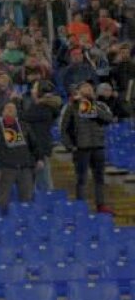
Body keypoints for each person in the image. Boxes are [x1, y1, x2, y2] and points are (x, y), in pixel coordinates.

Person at [60, 81, 115, 213]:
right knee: (81, 179)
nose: (88, 90)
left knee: (99, 178)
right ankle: (81, 206)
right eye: (84, 88)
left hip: (98, 146)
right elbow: (64, 129)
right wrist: (70, 147)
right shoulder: (71, 107)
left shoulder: (100, 105)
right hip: (81, 148)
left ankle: (101, 205)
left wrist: (93, 108)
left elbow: (108, 119)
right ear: (79, 91)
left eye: (90, 88)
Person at [0, 101, 37, 214]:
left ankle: (26, 224)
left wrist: (37, 159)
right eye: (8, 108)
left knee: (27, 199)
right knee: (3, 199)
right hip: (6, 167)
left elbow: (34, 144)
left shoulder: (24, 126)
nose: (11, 110)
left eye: (13, 108)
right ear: (2, 112)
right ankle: (3, 223)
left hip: (24, 167)